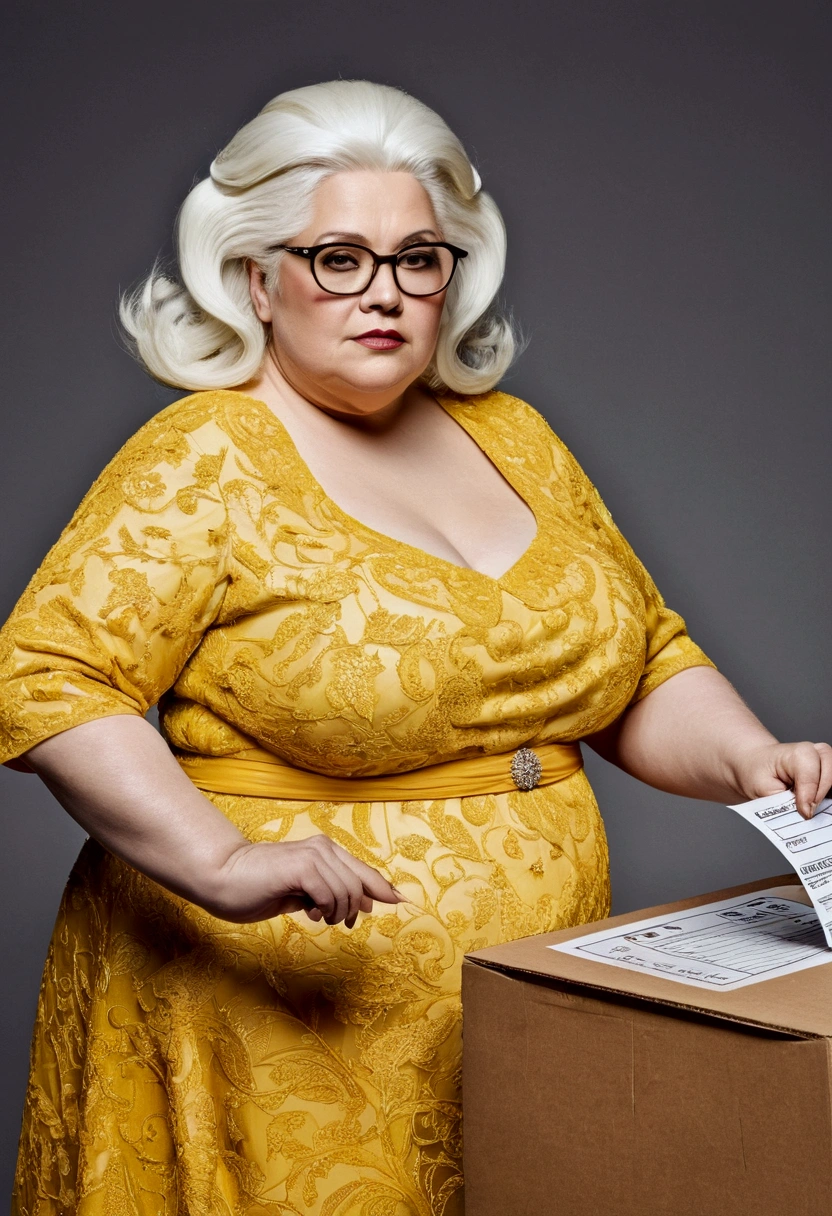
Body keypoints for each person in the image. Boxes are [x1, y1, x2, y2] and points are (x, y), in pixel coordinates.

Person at [2, 78, 829, 1216]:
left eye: (416, 259)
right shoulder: (209, 450)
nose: (381, 292)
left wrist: (747, 757)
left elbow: (640, 658)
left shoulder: (514, 437)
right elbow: (52, 675)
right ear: (257, 276)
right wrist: (221, 862)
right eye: (337, 257)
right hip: (282, 1002)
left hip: (525, 989)